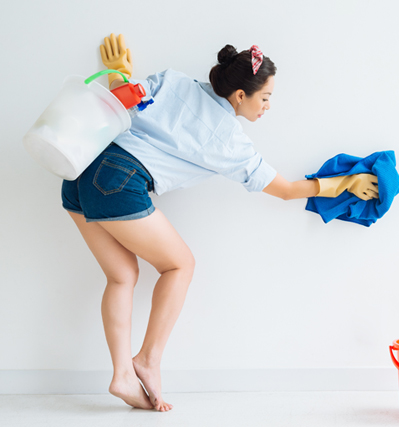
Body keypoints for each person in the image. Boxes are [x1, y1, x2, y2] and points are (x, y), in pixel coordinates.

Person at [61, 33, 379, 412]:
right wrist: (345, 182)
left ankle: (122, 376)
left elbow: (125, 100)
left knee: (121, 276)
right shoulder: (229, 139)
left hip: (80, 171)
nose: (268, 107)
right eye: (265, 98)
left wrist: (118, 73)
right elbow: (287, 190)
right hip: (118, 180)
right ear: (241, 95)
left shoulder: (174, 81)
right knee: (180, 265)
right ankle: (146, 360)